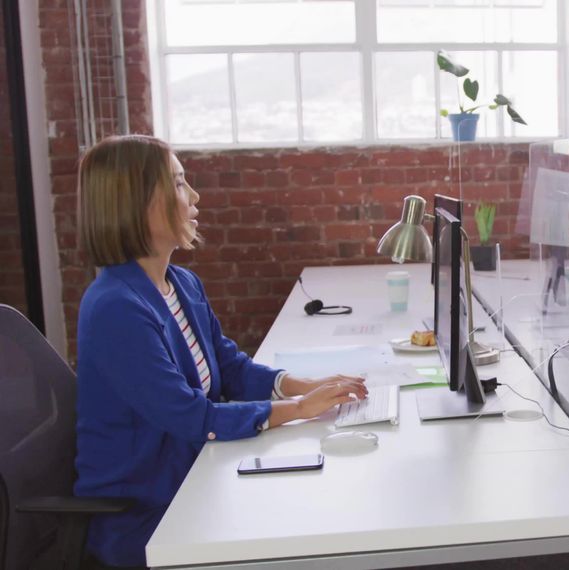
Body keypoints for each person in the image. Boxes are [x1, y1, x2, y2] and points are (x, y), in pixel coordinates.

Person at [74, 135, 368, 568]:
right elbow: (192, 416)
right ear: (136, 203)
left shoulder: (181, 284)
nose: (194, 196)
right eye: (177, 184)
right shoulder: (115, 308)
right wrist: (300, 407)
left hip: (196, 476)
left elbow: (228, 368)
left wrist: (298, 384)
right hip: (151, 513)